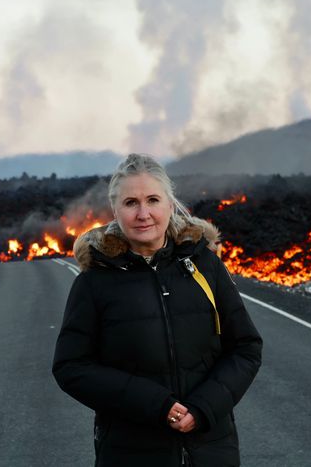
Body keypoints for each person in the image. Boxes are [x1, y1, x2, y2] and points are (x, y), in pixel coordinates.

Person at [52, 153, 262, 466]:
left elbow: (246, 348)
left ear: (169, 203)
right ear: (115, 210)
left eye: (152, 200)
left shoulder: (205, 266)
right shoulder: (94, 281)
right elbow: (71, 367)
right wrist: (154, 405)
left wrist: (204, 408)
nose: (143, 213)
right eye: (130, 203)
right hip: (130, 453)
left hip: (211, 450)